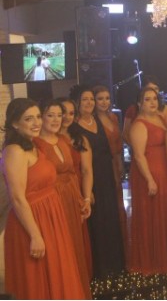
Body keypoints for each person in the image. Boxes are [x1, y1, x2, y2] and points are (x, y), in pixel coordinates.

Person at [3, 98, 86, 299]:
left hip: (50, 217)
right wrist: (35, 235)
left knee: (58, 274)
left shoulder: (32, 146)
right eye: (28, 119)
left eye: (38, 117)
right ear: (15, 123)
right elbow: (17, 198)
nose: (36, 123)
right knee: (39, 280)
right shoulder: (14, 151)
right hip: (33, 221)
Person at [33, 99, 93, 297]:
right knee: (60, 251)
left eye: (59, 115)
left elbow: (73, 173)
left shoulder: (62, 140)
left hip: (70, 198)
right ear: (41, 117)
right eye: (50, 115)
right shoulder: (35, 144)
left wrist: (82, 200)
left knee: (74, 247)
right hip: (53, 202)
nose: (56, 120)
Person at [70, 84, 125, 278]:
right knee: (96, 221)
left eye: (91, 99)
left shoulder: (98, 119)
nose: (89, 103)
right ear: (77, 102)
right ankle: (100, 266)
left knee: (110, 217)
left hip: (106, 174)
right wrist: (87, 190)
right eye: (85, 99)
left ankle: (115, 263)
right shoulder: (73, 126)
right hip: (90, 177)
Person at [129, 87, 167, 274]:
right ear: (139, 103)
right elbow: (138, 156)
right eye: (147, 99)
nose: (152, 102)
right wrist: (149, 179)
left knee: (165, 213)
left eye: (154, 99)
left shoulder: (160, 118)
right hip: (150, 173)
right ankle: (153, 260)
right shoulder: (139, 125)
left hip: (165, 171)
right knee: (153, 216)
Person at [58, 97, 93, 278]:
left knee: (75, 236)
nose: (66, 117)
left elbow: (87, 171)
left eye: (71, 113)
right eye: (62, 113)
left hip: (76, 190)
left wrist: (86, 196)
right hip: (55, 192)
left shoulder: (80, 139)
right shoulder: (44, 139)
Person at [93, 85, 128, 257]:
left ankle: (119, 246)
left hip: (115, 164)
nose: (104, 102)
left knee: (117, 203)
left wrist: (120, 163)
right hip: (102, 166)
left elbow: (119, 145)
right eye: (100, 99)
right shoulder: (93, 121)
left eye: (107, 98)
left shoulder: (113, 117)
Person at [122, 75, 167, 145]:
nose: (153, 91)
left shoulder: (166, 109)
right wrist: (135, 146)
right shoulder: (133, 110)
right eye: (150, 88)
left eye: (156, 88)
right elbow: (125, 134)